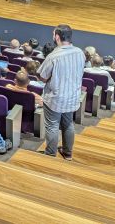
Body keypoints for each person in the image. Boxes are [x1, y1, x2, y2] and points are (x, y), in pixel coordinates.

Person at [38, 24, 83, 160]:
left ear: (57, 37)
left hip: (55, 98)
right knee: (68, 124)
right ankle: (67, 153)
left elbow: (43, 77)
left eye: (53, 34)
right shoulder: (80, 52)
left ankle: (51, 154)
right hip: (72, 96)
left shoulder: (53, 56)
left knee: (52, 125)